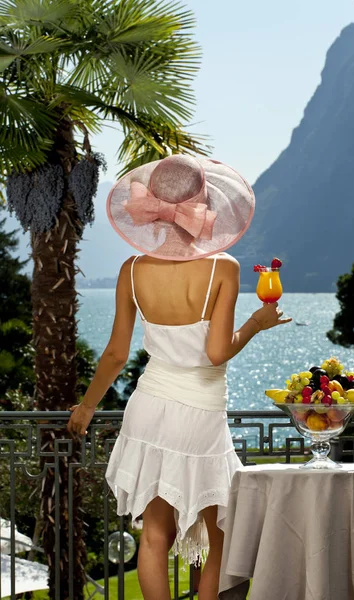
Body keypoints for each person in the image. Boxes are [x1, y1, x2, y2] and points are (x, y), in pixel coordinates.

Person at [67, 155, 291, 600]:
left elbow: (115, 353)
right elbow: (216, 354)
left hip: (147, 407)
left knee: (154, 534)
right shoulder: (221, 267)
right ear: (203, 203)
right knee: (223, 533)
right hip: (201, 415)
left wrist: (88, 405)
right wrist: (255, 325)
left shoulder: (132, 269)